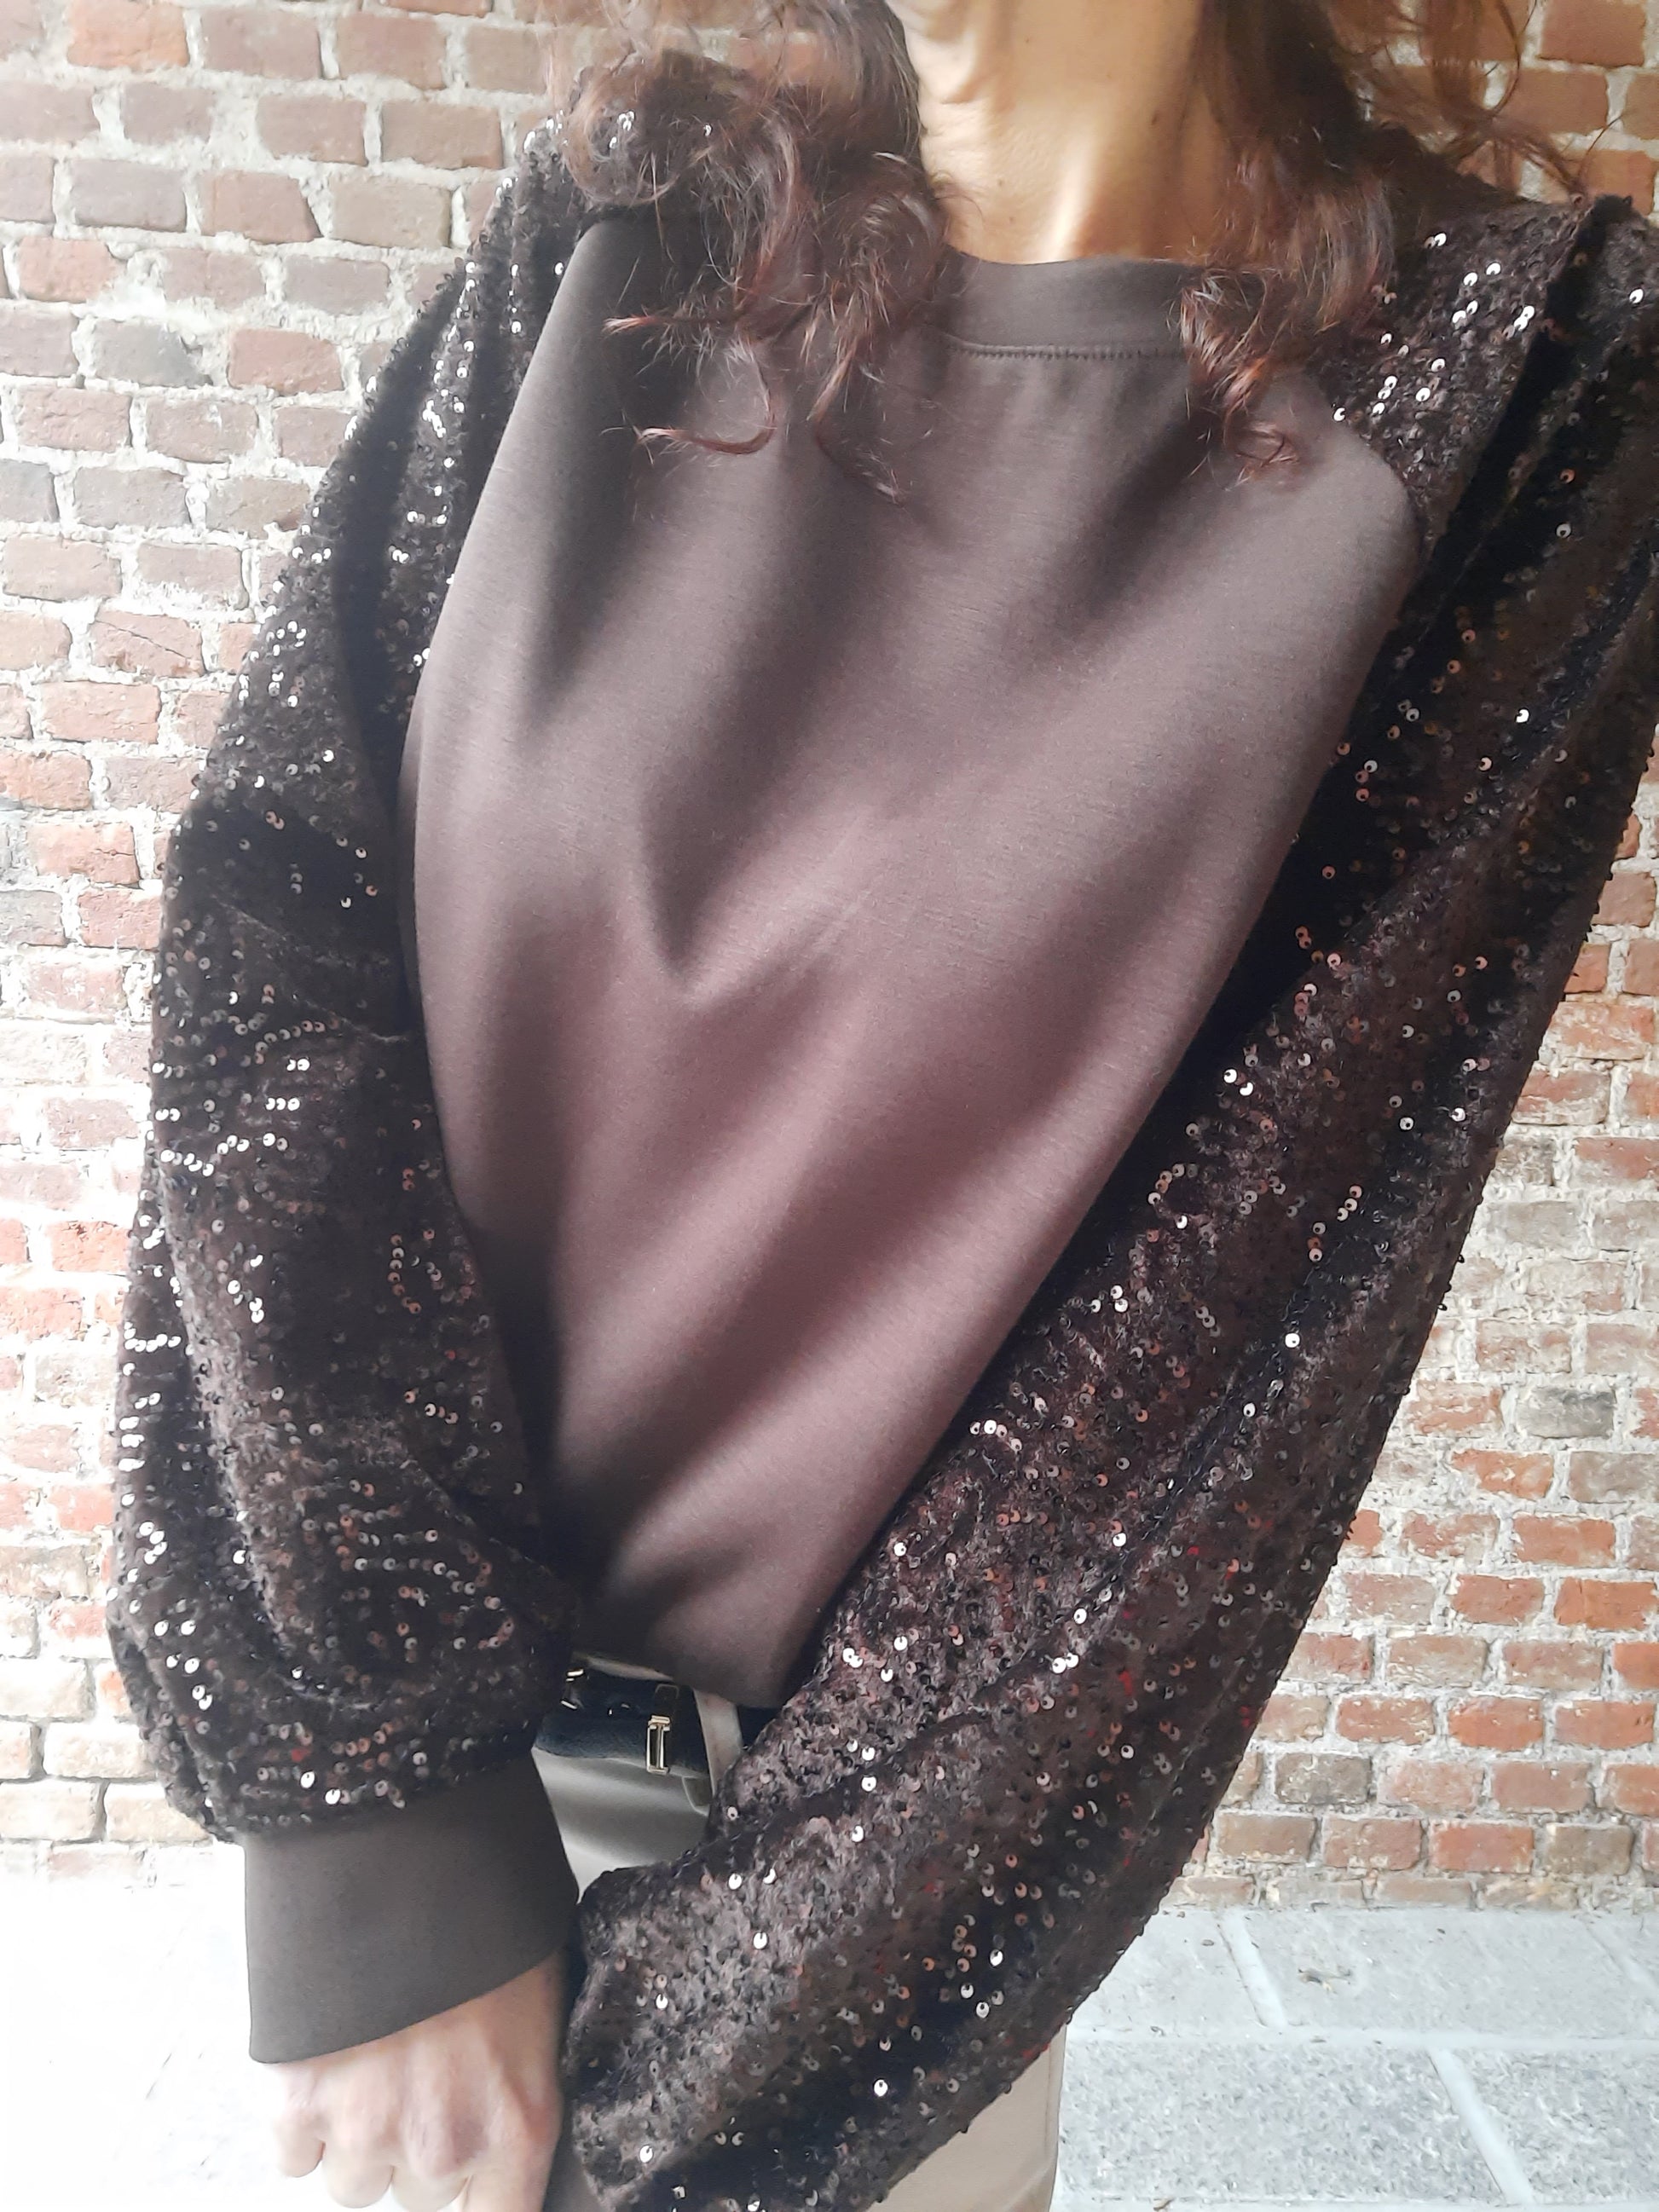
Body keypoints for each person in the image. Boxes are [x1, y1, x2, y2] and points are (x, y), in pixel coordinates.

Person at [106, 4, 1659, 2212]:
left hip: (855, 1951)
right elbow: (273, 958)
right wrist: (385, 1831)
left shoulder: (1509, 381)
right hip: (391, 1870)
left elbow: (1218, 1362)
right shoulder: (616, 238)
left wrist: (705, 2071)